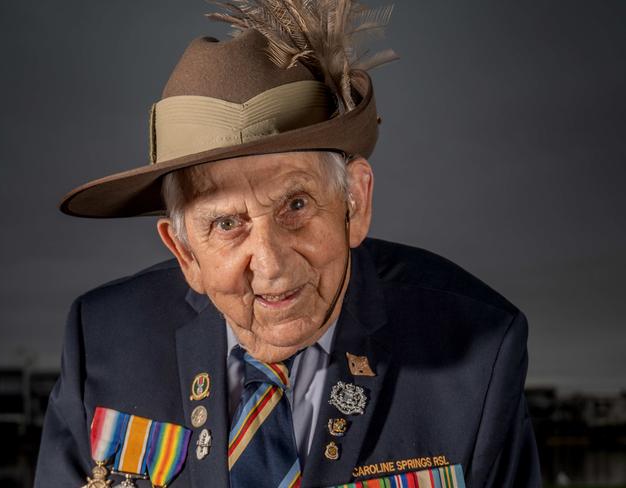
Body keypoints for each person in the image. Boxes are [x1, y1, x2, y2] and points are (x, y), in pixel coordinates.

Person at [35, 4, 541, 487]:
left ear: (354, 203)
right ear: (185, 252)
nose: (273, 265)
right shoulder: (103, 339)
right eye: (228, 223)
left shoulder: (478, 350)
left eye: (295, 206)